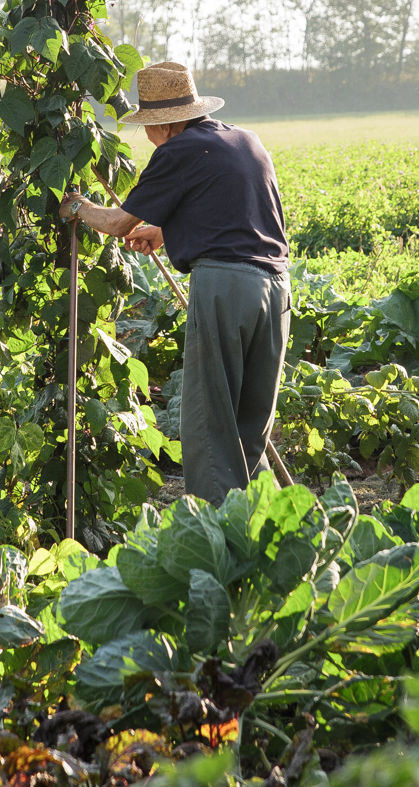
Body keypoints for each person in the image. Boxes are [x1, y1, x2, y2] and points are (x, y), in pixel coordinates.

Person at [61, 60, 290, 505]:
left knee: (209, 428)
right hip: (277, 290)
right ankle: (273, 538)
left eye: (148, 125)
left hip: (227, 291)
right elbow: (240, 216)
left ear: (166, 124)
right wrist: (167, 233)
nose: (148, 135)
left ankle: (217, 542)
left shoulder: (177, 151)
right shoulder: (245, 140)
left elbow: (116, 222)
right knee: (249, 431)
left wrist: (77, 208)